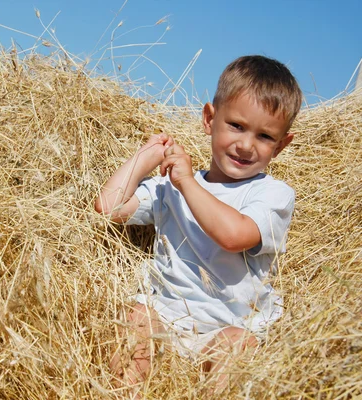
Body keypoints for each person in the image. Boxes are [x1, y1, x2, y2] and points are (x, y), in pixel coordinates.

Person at [94, 55, 302, 396]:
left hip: (233, 322)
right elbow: (108, 208)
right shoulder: (168, 186)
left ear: (281, 146)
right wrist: (147, 156)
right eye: (236, 125)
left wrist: (188, 182)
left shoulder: (273, 194)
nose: (246, 145)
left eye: (264, 136)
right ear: (209, 119)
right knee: (133, 321)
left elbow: (234, 235)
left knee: (235, 349)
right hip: (166, 313)